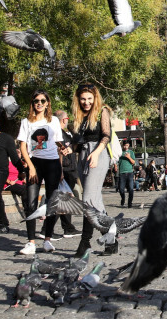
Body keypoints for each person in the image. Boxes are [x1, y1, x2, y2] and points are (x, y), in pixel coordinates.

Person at [17, 90, 64, 255]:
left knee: (51, 203)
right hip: (34, 163)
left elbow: (59, 144)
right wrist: (30, 166)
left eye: (43, 101)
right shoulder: (26, 122)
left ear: (47, 103)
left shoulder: (54, 121)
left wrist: (62, 166)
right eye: (36, 100)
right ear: (32, 103)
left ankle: (47, 240)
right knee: (30, 203)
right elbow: (22, 146)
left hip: (52, 164)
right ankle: (30, 242)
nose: (39, 103)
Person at [71, 84, 113, 257]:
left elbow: (106, 135)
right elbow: (77, 141)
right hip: (82, 156)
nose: (86, 102)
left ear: (95, 98)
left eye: (89, 98)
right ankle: (111, 240)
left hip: (98, 153)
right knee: (95, 202)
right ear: (78, 99)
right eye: (83, 99)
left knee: (87, 200)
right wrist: (69, 149)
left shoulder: (102, 111)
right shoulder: (79, 115)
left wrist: (96, 153)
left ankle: (85, 242)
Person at [37, 110, 82, 239]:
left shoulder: (64, 134)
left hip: (68, 170)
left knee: (65, 200)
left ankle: (68, 228)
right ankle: (46, 229)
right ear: (64, 120)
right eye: (67, 118)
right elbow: (58, 154)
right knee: (59, 201)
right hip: (64, 171)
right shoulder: (57, 135)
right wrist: (60, 171)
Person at [118, 140, 136, 207]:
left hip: (130, 172)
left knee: (131, 189)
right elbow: (116, 161)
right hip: (122, 173)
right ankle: (123, 198)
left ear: (129, 146)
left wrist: (128, 157)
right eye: (125, 145)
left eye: (127, 145)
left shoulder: (131, 152)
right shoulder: (120, 152)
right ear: (122, 145)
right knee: (121, 189)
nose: (126, 147)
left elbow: (133, 162)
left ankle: (129, 203)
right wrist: (115, 166)